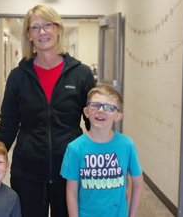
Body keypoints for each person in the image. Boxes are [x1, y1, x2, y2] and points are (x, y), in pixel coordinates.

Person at [0, 4, 96, 217]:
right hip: (28, 170)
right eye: (35, 27)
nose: (42, 32)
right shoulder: (18, 76)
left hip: (69, 169)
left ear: (58, 28)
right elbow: (8, 125)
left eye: (47, 25)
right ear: (28, 35)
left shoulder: (81, 74)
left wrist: (107, 157)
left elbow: (93, 124)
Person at [60, 84, 143, 217]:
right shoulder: (75, 148)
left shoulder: (127, 145)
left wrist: (131, 215)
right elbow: (71, 192)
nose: (101, 110)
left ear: (118, 116)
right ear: (86, 112)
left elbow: (138, 183)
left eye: (109, 108)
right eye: (95, 105)